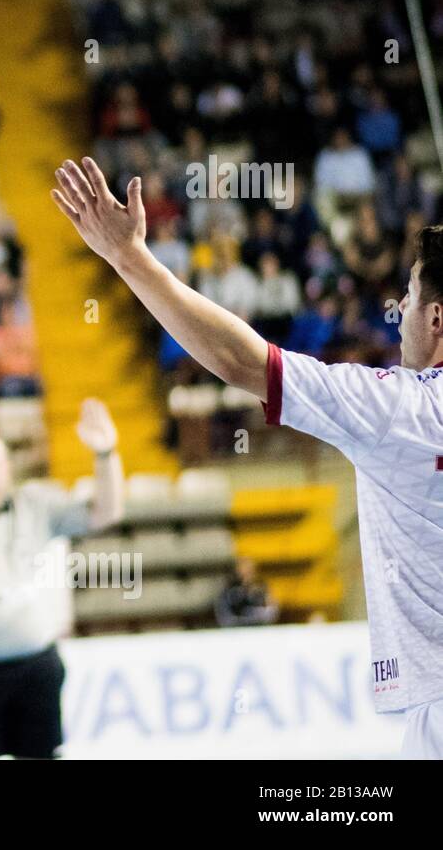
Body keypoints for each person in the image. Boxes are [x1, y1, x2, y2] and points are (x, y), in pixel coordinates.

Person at [50, 155, 443, 759]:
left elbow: (245, 363)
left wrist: (129, 257)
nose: (399, 322)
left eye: (410, 299)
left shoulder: (401, 410)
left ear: (436, 317)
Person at [0, 400, 124, 759]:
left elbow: (106, 512)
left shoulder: (35, 505)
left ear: (7, 471)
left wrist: (105, 454)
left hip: (35, 667)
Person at [215, 557, 279, 627]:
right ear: (237, 570)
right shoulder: (229, 589)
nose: (246, 573)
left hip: (258, 626)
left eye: (249, 570)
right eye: (243, 569)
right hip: (236, 627)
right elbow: (223, 612)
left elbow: (271, 609)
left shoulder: (262, 588)